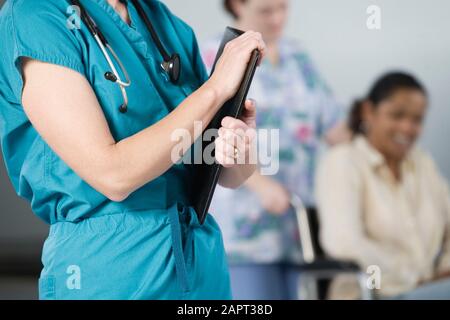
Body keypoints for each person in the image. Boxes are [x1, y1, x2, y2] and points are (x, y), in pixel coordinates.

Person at [0, 0, 266, 299]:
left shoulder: (165, 23)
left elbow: (222, 172)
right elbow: (112, 175)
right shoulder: (36, 15)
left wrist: (240, 149)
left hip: (200, 266)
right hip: (110, 270)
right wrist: (215, 89)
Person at [201, 0, 349, 300]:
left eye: (283, 7)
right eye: (267, 10)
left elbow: (334, 126)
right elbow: (204, 138)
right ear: (236, 5)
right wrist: (258, 183)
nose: (278, 18)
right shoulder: (216, 55)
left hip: (301, 226)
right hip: (245, 232)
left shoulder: (298, 57)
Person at [316, 72, 450, 299]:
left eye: (417, 120)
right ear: (369, 111)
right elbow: (343, 242)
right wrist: (413, 278)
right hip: (375, 294)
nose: (407, 128)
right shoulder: (343, 161)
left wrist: (444, 270)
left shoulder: (421, 163)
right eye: (397, 115)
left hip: (429, 289)